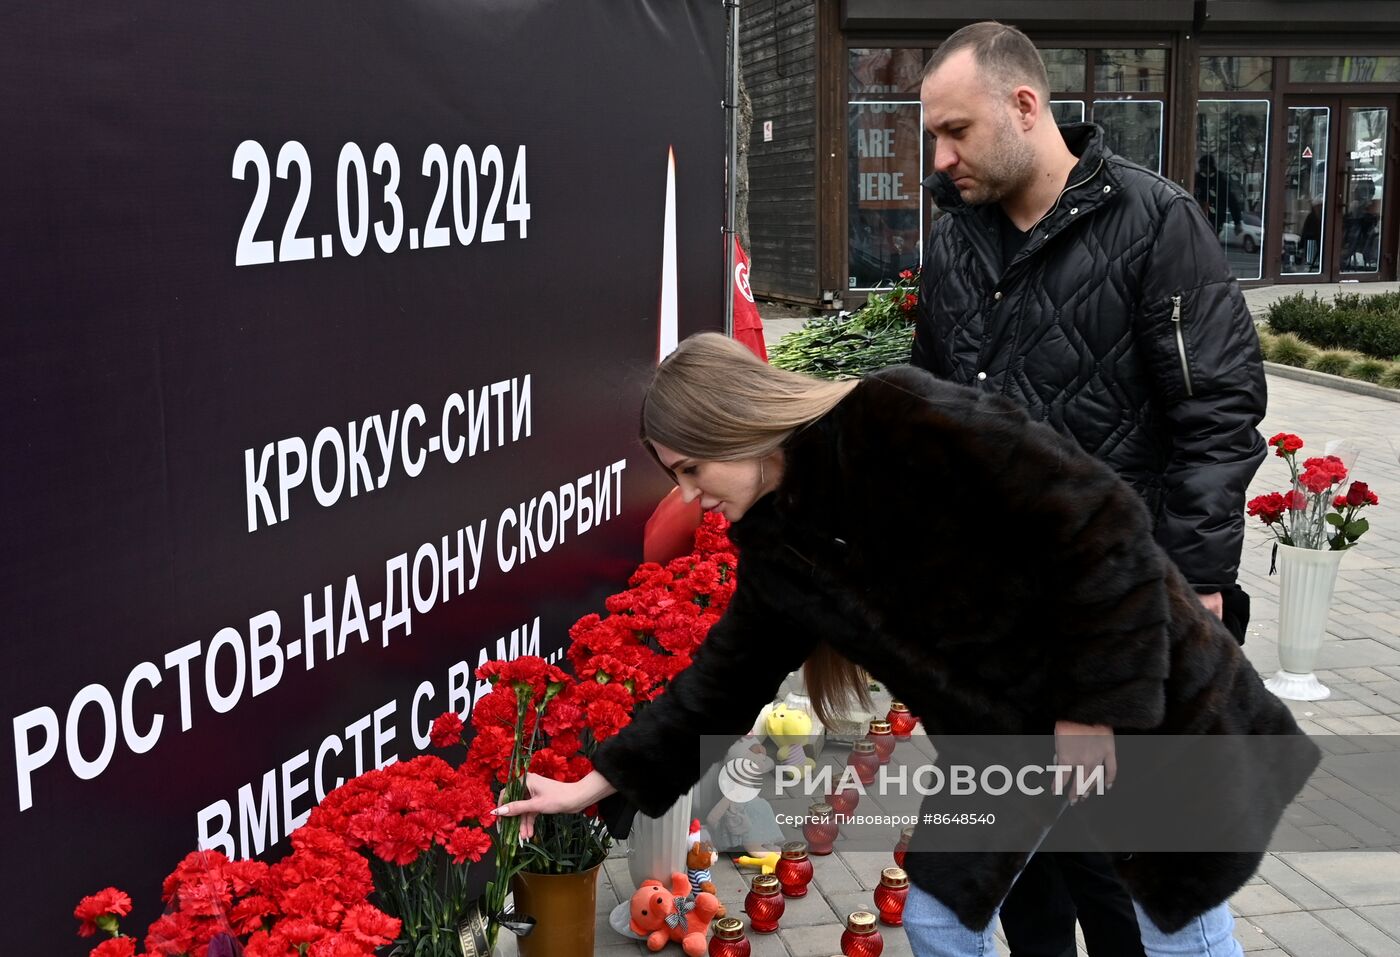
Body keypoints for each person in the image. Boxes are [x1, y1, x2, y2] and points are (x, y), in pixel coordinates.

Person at [495, 333, 1316, 957]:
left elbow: (1103, 524)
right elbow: (718, 683)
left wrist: (1091, 711)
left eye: (690, 467)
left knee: (1176, 926)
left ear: (732, 423)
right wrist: (592, 784)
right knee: (934, 916)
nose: (689, 495)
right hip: (1009, 741)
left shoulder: (896, 417)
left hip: (1135, 693)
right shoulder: (780, 549)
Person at [913, 22, 1269, 955]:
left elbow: (1218, 418)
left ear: (1024, 106)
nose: (941, 158)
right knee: (1021, 888)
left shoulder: (1156, 224)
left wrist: (1190, 595)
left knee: (1144, 891)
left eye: (955, 132)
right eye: (933, 138)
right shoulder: (954, 243)